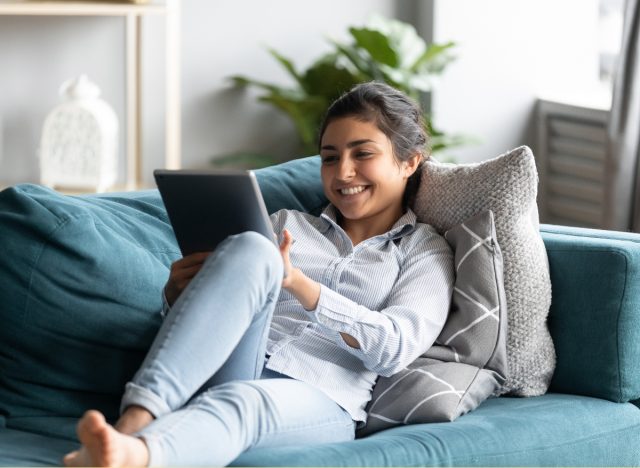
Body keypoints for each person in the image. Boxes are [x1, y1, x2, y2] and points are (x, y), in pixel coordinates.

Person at [63, 81, 455, 467]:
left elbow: (395, 348)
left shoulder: (424, 250)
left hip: (320, 397)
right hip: (236, 364)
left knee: (242, 402)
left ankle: (132, 454)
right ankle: (134, 421)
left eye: (362, 153)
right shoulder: (287, 224)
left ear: (409, 161)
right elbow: (209, 327)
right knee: (252, 248)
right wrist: (177, 296)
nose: (343, 172)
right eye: (330, 157)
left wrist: (300, 285)